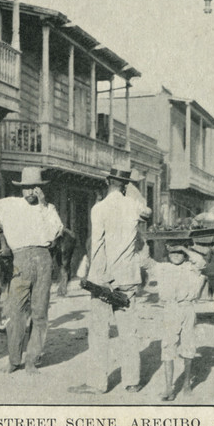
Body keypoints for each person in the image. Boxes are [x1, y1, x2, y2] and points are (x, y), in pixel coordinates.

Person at [68, 163, 148, 395]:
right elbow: (147, 213)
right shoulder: (134, 206)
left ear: (107, 182)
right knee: (129, 331)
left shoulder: (99, 208)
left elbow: (97, 246)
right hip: (128, 277)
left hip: (103, 278)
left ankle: (97, 383)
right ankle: (132, 381)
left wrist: (97, 278)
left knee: (99, 332)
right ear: (125, 185)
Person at [0, 167, 63, 374]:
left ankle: (32, 360)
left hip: (44, 259)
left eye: (34, 188)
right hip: (20, 260)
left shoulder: (48, 209)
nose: (30, 192)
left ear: (40, 189)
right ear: (21, 188)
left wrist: (44, 205)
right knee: (15, 312)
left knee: (40, 312)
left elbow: (55, 232)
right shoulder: (9, 204)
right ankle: (14, 360)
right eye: (26, 188)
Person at [146, 245, 207, 401]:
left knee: (188, 345)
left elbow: (202, 262)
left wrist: (185, 249)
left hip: (187, 309)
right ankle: (168, 388)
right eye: (172, 252)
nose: (176, 255)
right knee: (168, 345)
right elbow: (145, 261)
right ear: (167, 252)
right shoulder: (162, 267)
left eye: (179, 252)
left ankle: (186, 384)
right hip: (170, 309)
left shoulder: (192, 267)